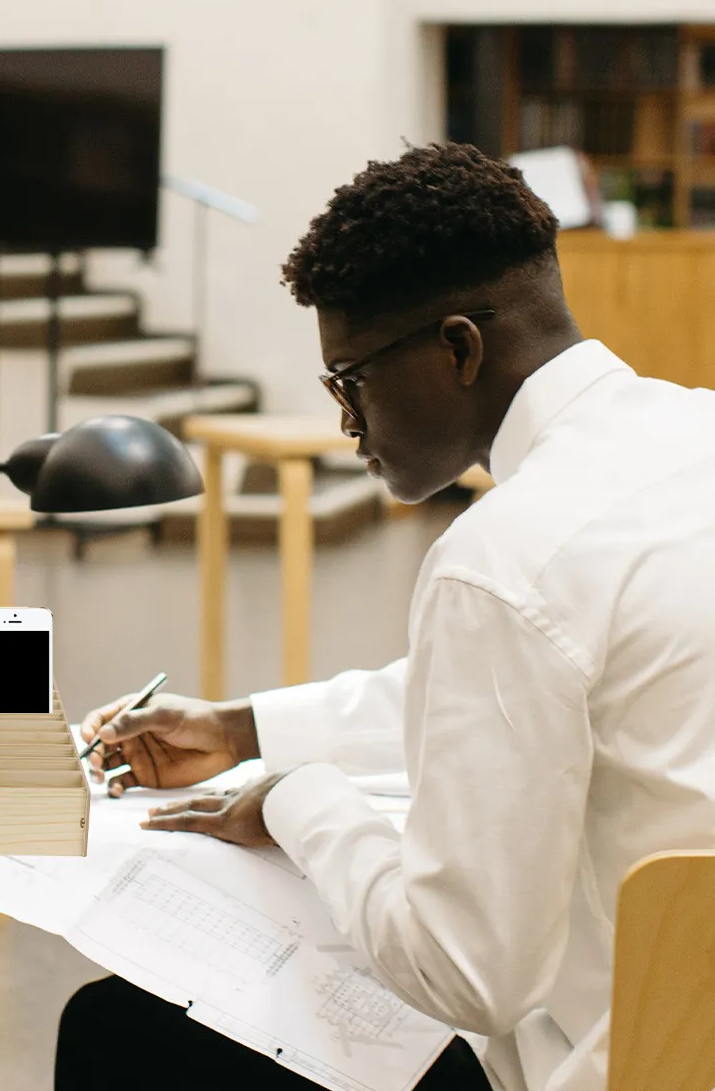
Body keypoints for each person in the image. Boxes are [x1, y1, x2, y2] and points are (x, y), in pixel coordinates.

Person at [58, 143, 715, 1091]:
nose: (346, 426)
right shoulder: (688, 438)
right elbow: (529, 679)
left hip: (630, 1063)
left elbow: (467, 974)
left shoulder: (503, 557)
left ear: (459, 348)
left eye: (350, 379)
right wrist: (242, 729)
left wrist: (296, 798)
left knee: (118, 1028)